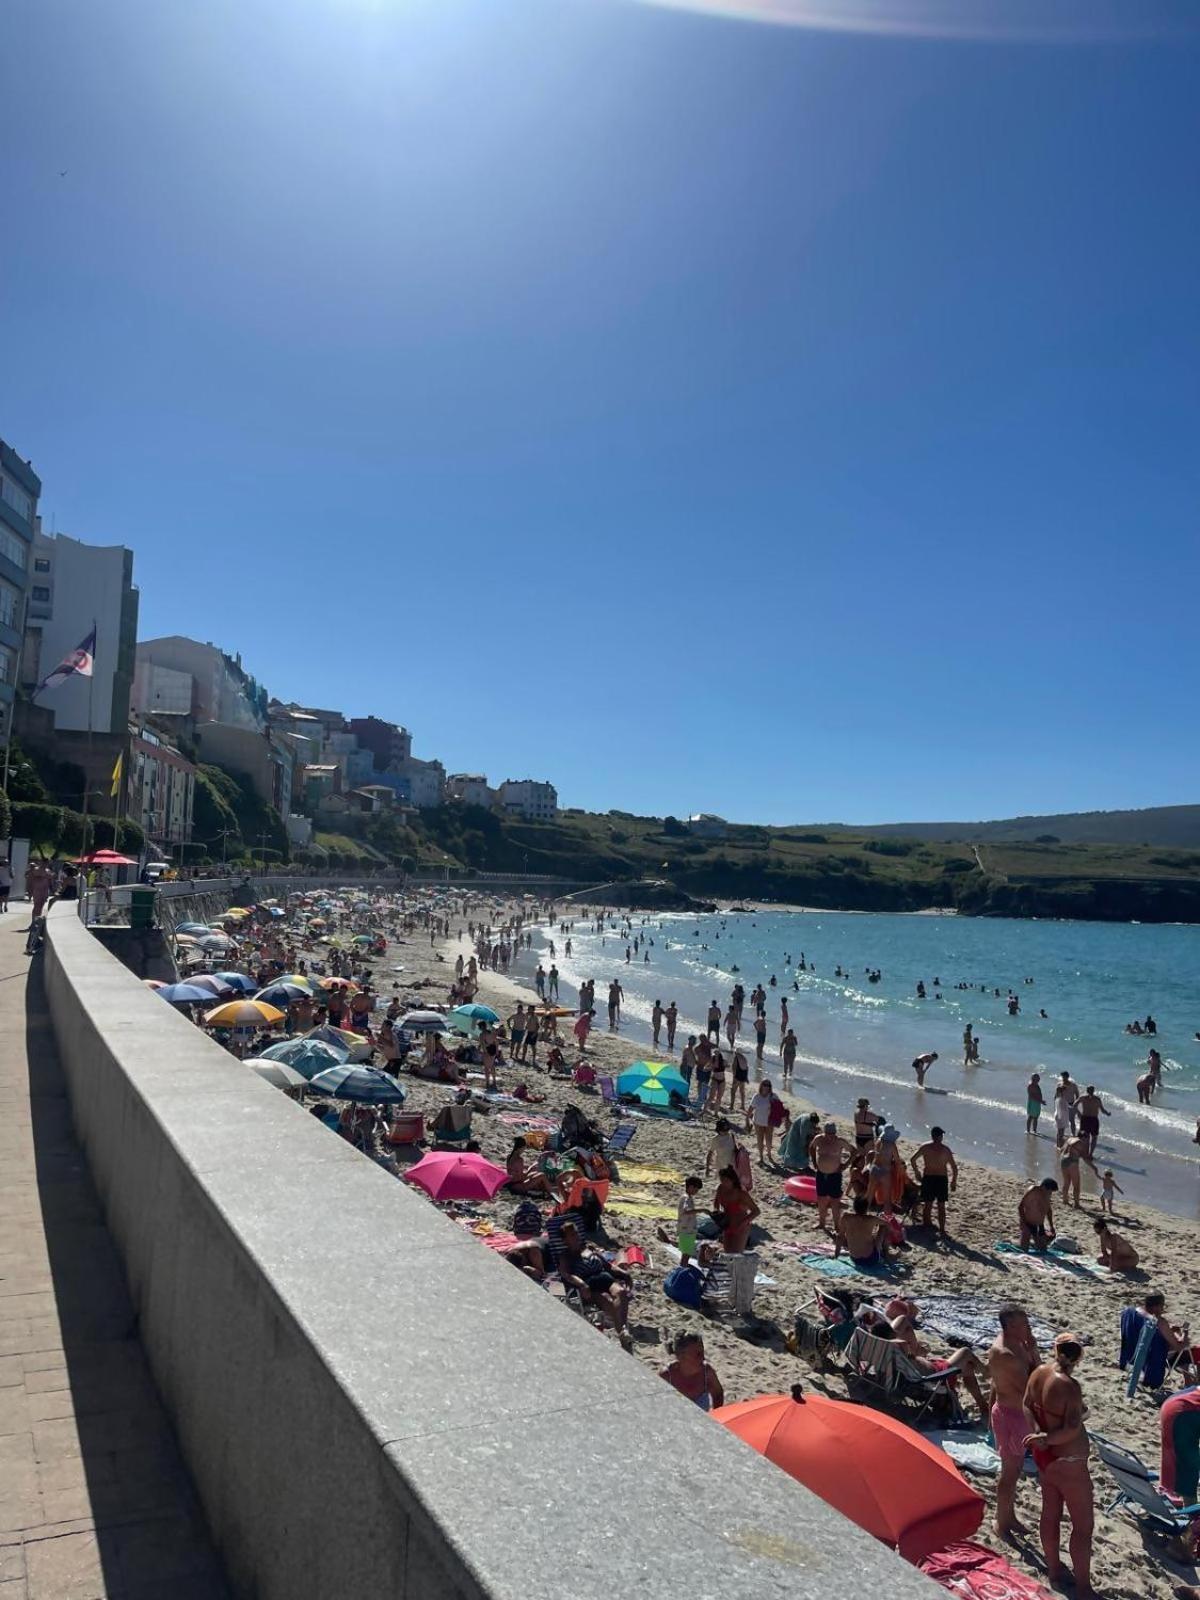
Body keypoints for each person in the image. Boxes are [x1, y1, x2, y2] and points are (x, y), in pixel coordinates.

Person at [1023, 1334, 1095, 1600]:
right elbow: (1072, 1427)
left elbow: (1026, 1405)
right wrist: (1048, 1438)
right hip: (1069, 1461)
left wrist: (1038, 1435)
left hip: (1046, 1459)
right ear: (1078, 1358)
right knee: (1083, 1526)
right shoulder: (1069, 1386)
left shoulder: (1038, 1373)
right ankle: (1084, 1589)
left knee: (1050, 1512)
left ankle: (1054, 1570)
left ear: (1055, 1350)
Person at [986, 1304, 1041, 1537]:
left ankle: (1008, 1517)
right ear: (1010, 1326)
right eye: (1023, 1324)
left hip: (1013, 1413)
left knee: (1014, 1470)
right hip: (1011, 1416)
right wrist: (1035, 1354)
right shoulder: (1005, 1354)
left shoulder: (1015, 1343)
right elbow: (1032, 1386)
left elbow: (994, 1386)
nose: (1028, 1327)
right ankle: (1001, 1521)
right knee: (1010, 1472)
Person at [557, 1222, 633, 1349]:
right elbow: (566, 1274)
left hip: (605, 1278)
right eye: (571, 1234)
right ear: (565, 1239)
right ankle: (623, 1333)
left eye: (576, 1232)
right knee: (607, 1301)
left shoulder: (589, 1248)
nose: (575, 1236)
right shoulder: (566, 1256)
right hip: (589, 1285)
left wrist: (625, 1274)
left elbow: (608, 1266)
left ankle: (622, 1331)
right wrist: (581, 1284)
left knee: (621, 1292)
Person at [910, 1126, 957, 1237]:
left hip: (929, 1177)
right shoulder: (946, 1150)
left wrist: (917, 1172)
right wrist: (953, 1181)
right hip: (941, 1179)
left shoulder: (925, 1147)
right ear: (939, 1137)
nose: (942, 1138)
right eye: (941, 1136)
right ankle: (941, 1229)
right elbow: (954, 1167)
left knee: (928, 1203)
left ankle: (928, 1225)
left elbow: (913, 1160)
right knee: (940, 1205)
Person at [661, 1332, 724, 1411]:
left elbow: (718, 1394)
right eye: (698, 1354)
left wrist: (715, 1416)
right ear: (681, 1356)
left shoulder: (707, 1373)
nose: (703, 1358)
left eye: (703, 1353)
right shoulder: (666, 1377)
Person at [810, 1122, 854, 1232]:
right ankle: (821, 1223)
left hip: (835, 1174)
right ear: (825, 1132)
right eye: (829, 1133)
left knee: (835, 1201)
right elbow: (811, 1147)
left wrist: (845, 1165)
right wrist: (814, 1161)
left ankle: (837, 1226)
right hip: (821, 1173)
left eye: (833, 1133)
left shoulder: (840, 1141)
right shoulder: (819, 1139)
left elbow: (854, 1151)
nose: (831, 1136)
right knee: (821, 1199)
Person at [1160, 1388, 1200, 1506]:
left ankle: (1169, 1493)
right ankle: (1191, 1512)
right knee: (1189, 1465)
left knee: (1175, 1458)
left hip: (1174, 1404)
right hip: (1184, 1414)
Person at [712, 1165, 759, 1255]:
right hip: (726, 1224)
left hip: (740, 1227)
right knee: (727, 1253)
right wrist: (717, 1213)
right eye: (721, 1180)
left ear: (732, 1180)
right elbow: (716, 1202)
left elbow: (756, 1211)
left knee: (736, 1255)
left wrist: (742, 1223)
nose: (723, 1183)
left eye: (726, 1181)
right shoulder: (720, 1188)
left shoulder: (741, 1194)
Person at [834, 1196, 889, 1267]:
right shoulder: (871, 1219)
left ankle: (882, 1251)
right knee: (883, 1227)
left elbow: (840, 1237)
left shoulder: (846, 1218)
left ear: (854, 1207)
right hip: (871, 1258)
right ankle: (886, 1254)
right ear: (867, 1208)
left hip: (855, 1258)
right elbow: (887, 1223)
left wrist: (836, 1255)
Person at [750, 1079, 788, 1165]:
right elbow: (751, 1107)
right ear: (761, 1085)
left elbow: (780, 1108)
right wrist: (747, 1118)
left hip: (769, 1122)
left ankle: (769, 1154)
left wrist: (783, 1118)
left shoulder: (773, 1096)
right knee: (760, 1139)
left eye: (768, 1085)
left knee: (768, 1139)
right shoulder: (757, 1096)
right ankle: (761, 1157)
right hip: (758, 1121)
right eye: (765, 1085)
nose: (766, 1087)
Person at [1059, 1133, 1098, 1209]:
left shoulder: (1069, 1139)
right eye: (1087, 1139)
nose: (1087, 1141)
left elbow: (1061, 1150)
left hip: (1063, 1160)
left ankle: (1065, 1200)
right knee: (1076, 1185)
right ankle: (1076, 1204)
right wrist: (1094, 1167)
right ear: (1083, 1137)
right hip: (1072, 1162)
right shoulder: (1080, 1142)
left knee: (1066, 1182)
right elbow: (1085, 1158)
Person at [1018, 1177, 1058, 1252]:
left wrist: (1051, 1226)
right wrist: (1024, 1222)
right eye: (1049, 1191)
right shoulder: (1033, 1191)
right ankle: (1026, 1240)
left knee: (1043, 1249)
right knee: (1024, 1250)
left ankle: (1035, 1242)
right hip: (1027, 1222)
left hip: (1039, 1224)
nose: (1050, 1193)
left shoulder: (1047, 1194)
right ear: (1043, 1187)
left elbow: (1048, 1211)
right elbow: (1020, 1207)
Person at [1074, 1086, 1110, 1158]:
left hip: (1085, 1119)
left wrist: (1078, 1112)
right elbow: (1102, 1110)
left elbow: (1074, 1105)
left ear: (1087, 1090)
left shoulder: (1083, 1097)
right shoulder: (1096, 1099)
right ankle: (1089, 1154)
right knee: (1092, 1137)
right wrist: (1107, 1113)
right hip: (1092, 1119)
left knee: (1086, 1137)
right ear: (1093, 1091)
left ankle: (1086, 1153)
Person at [676, 1174, 702, 1266]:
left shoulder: (688, 1198)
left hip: (688, 1230)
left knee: (686, 1253)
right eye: (696, 1189)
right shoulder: (686, 1198)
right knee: (686, 1254)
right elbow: (687, 1211)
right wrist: (702, 1210)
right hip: (686, 1230)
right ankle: (682, 1269)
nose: (696, 1191)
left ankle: (683, 1267)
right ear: (690, 1187)